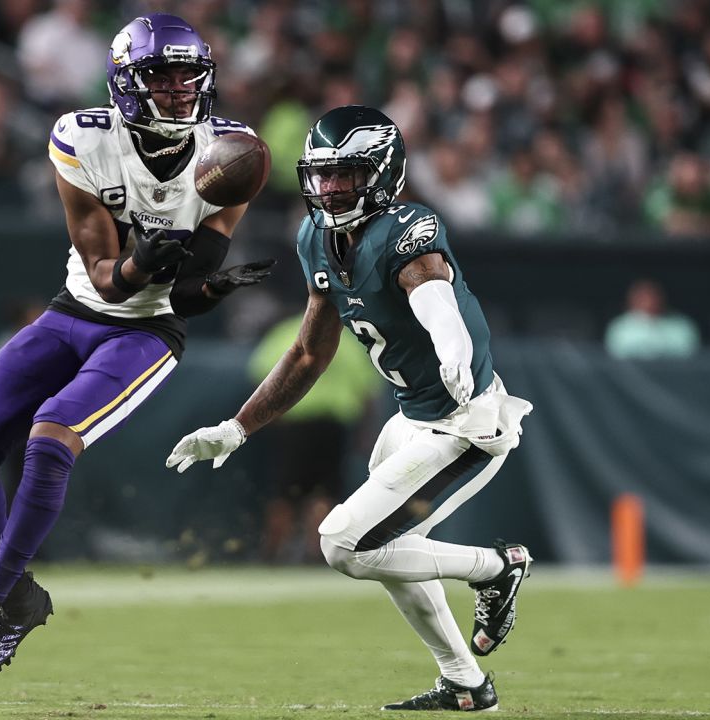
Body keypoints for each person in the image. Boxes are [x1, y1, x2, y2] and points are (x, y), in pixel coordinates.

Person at [0, 13, 274, 680]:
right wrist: (137, 264)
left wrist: (204, 277)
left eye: (187, 76)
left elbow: (191, 286)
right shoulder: (82, 139)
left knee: (51, 436)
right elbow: (105, 274)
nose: (177, 89)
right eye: (160, 76)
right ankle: (21, 597)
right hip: (77, 308)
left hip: (147, 332)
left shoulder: (233, 152)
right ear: (127, 82)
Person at [168, 106, 534, 712]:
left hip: (465, 419)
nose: (331, 187)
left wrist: (451, 344)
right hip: (412, 420)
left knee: (342, 543)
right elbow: (311, 352)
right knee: (392, 551)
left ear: (384, 172)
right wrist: (238, 428)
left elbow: (433, 289)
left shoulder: (407, 228)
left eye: (348, 174)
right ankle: (467, 684)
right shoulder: (316, 237)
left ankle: (495, 567)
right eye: (323, 174)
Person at [247, 311, 381, 564]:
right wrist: (366, 432)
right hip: (333, 425)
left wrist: (266, 421)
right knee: (324, 490)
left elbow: (260, 378)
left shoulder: (285, 334)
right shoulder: (349, 341)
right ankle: (316, 554)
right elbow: (367, 392)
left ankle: (273, 554)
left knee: (285, 490)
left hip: (293, 424)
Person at [604, 279, 701, 359]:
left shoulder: (681, 325)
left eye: (653, 296)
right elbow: (614, 358)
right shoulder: (620, 327)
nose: (649, 301)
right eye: (642, 297)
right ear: (632, 299)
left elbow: (689, 357)